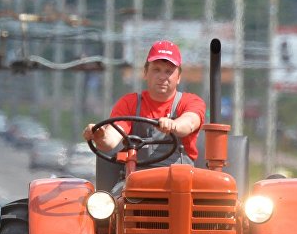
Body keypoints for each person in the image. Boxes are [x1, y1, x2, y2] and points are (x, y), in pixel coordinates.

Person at [82, 40, 206, 168]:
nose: (162, 76)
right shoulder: (130, 103)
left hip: (179, 181)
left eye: (168, 71)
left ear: (179, 77)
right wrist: (100, 136)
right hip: (137, 178)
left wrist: (173, 125)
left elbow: (189, 123)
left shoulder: (190, 102)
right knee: (116, 188)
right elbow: (111, 140)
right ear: (146, 72)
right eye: (156, 70)